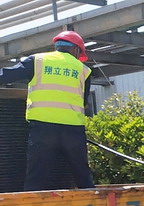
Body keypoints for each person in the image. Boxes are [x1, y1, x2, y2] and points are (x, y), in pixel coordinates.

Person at [0, 31, 94, 191]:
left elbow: (6, 75)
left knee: (36, 177)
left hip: (43, 130)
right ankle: (95, 204)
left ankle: (31, 205)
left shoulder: (37, 61)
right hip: (73, 131)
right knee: (82, 177)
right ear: (76, 50)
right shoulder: (83, 70)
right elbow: (83, 102)